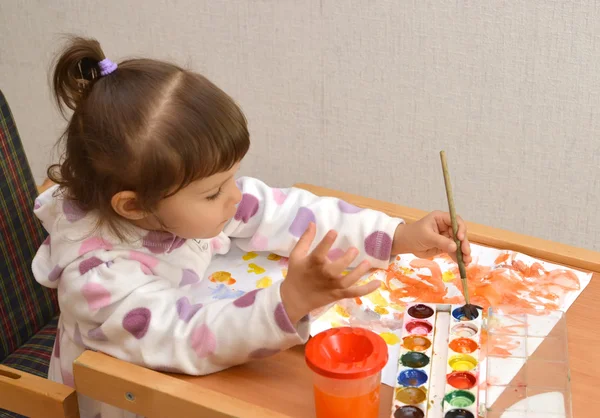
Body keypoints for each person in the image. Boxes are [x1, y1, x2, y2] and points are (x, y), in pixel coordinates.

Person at [32, 36, 471, 417]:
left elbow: (289, 212)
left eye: (232, 178)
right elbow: (193, 338)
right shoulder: (98, 282)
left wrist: (397, 236)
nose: (235, 197)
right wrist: (289, 300)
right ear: (132, 206)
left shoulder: (186, 202)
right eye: (213, 192)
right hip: (129, 402)